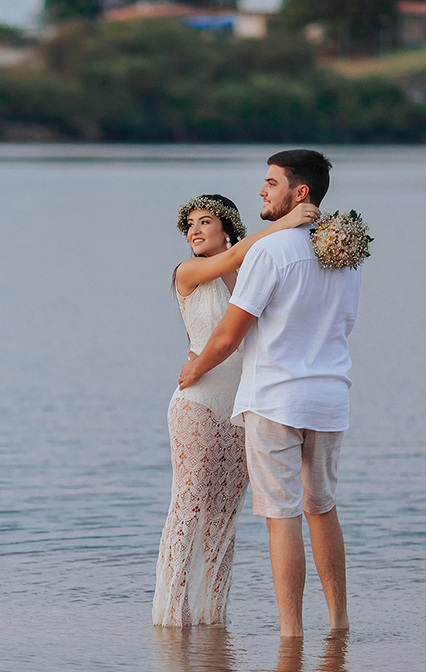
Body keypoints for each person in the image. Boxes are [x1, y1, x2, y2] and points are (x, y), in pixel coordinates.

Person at [179, 149, 360, 638]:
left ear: (299, 193)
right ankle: (340, 624)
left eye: (271, 182)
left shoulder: (269, 251)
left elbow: (229, 333)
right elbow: (343, 324)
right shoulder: (346, 253)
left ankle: (292, 634)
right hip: (328, 395)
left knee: (282, 517)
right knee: (321, 506)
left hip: (275, 397)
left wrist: (195, 366)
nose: (261, 190)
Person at [154, 194, 319, 627]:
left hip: (242, 407)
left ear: (226, 227)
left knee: (225, 516)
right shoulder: (188, 272)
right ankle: (172, 620)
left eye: (204, 221)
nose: (193, 230)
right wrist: (283, 224)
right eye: (188, 224)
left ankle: (210, 621)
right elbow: (235, 258)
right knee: (189, 506)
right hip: (198, 402)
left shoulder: (248, 272)